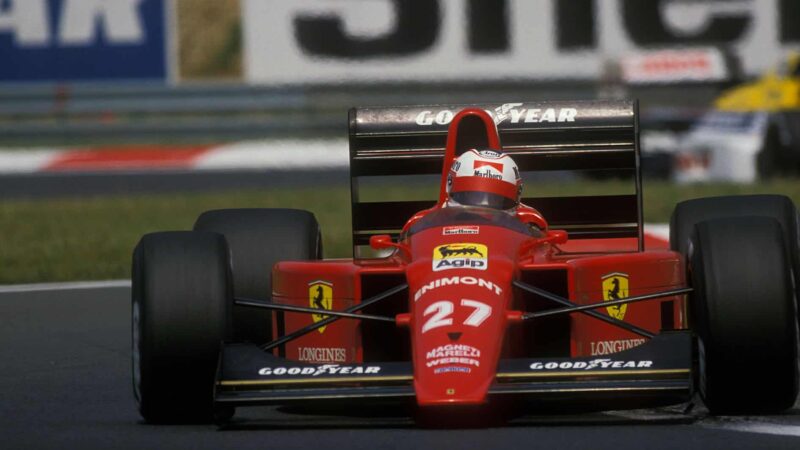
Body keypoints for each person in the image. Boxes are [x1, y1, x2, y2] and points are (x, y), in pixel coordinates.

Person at [402, 148, 547, 234]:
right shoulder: (421, 224)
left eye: (495, 200)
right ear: (450, 184)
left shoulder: (529, 225)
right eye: (472, 196)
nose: (482, 208)